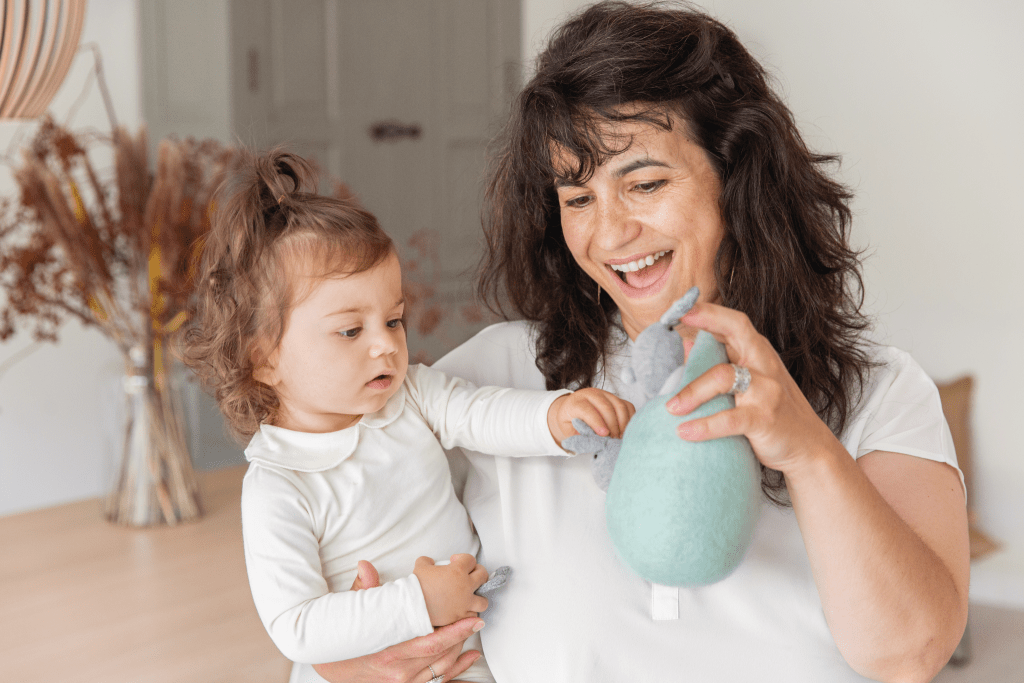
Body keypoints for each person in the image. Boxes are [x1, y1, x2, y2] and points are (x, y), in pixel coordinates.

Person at [308, 2, 970, 682]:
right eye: (577, 198)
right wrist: (353, 662)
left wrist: (809, 451)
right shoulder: (490, 379)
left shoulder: (881, 392)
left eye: (645, 183)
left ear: (738, 180)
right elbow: (326, 576)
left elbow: (911, 653)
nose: (609, 233)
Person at [178, 149, 635, 683]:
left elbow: (479, 412)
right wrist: (417, 601)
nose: (385, 347)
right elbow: (296, 625)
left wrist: (556, 416)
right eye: (351, 331)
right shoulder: (279, 487)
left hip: (466, 654)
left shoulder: (410, 396)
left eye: (393, 320)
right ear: (264, 358)